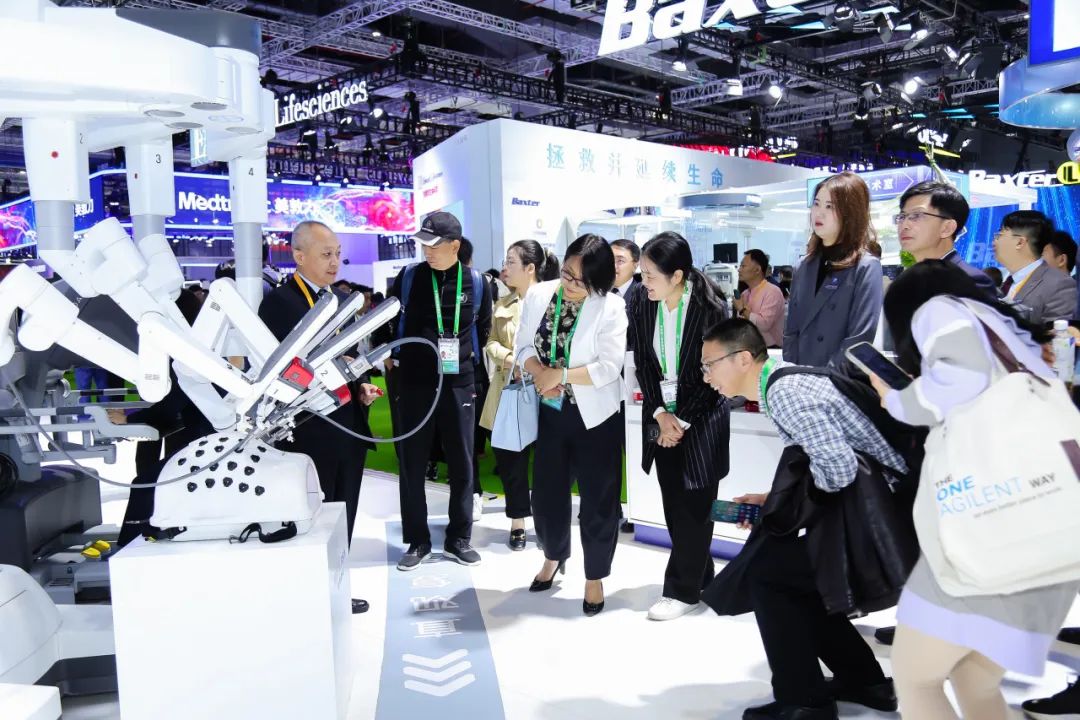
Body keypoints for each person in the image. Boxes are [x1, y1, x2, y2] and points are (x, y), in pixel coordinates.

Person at [867, 260, 1080, 720]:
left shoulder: (937, 309)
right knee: (975, 682)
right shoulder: (1004, 329)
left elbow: (961, 379)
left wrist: (895, 399)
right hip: (1049, 546)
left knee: (916, 679)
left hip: (984, 547)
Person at [702, 319, 906, 720]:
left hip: (882, 519)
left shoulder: (785, 393)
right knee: (793, 578)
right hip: (884, 508)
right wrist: (773, 499)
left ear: (743, 359)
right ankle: (866, 681)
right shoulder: (787, 379)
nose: (707, 376)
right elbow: (825, 461)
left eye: (710, 364)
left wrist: (787, 505)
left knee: (769, 575)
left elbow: (838, 470)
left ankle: (804, 702)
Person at [258, 220, 381, 615]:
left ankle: (336, 590)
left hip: (348, 426)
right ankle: (310, 596)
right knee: (314, 514)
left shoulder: (340, 300)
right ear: (298, 256)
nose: (334, 262)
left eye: (337, 254)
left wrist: (361, 384)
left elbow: (349, 355)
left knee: (344, 512)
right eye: (326, 254)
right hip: (309, 431)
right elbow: (284, 369)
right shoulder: (280, 303)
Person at [515, 234, 627, 616]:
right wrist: (540, 373)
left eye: (581, 280)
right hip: (551, 411)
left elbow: (609, 367)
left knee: (598, 502)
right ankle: (553, 555)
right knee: (546, 497)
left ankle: (594, 576)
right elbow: (523, 346)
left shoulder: (611, 306)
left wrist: (560, 374)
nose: (571, 284)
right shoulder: (539, 295)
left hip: (597, 418)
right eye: (567, 273)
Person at [628, 232, 730, 621]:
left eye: (650, 276)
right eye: (642, 274)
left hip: (701, 416)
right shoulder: (641, 301)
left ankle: (681, 591)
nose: (644, 283)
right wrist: (659, 413)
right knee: (673, 502)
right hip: (660, 415)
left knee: (697, 504)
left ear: (677, 276)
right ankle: (701, 575)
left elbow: (713, 374)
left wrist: (680, 419)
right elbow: (644, 362)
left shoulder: (710, 307)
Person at [386, 212, 493, 571]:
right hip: (414, 382)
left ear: (455, 246)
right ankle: (417, 540)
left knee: (463, 461)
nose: (427, 251)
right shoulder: (409, 278)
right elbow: (390, 323)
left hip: (459, 382)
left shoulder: (477, 283)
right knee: (412, 462)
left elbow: (484, 328)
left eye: (434, 245)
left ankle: (458, 538)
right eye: (423, 244)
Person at [479, 240, 559, 550]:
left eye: (511, 262)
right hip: (509, 391)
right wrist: (510, 359)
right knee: (511, 460)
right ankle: (517, 521)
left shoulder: (554, 301)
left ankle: (547, 522)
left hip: (547, 391)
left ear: (530, 268)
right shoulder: (503, 304)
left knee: (548, 462)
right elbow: (490, 342)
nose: (505, 268)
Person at [783, 172, 884, 367]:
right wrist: (792, 371)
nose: (819, 213)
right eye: (816, 204)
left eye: (830, 206)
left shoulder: (866, 267)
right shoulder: (803, 266)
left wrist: (823, 378)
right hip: (799, 376)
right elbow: (791, 330)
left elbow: (859, 339)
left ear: (850, 214)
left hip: (837, 379)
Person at [895, 180, 999, 297]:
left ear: (947, 228)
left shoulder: (971, 282)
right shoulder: (908, 279)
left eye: (916, 215)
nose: (904, 225)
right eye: (902, 216)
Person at [993, 210, 1077, 324]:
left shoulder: (1059, 284)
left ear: (1019, 242)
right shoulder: (1005, 283)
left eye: (1000, 234)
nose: (994, 241)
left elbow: (1058, 333)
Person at [734, 249, 785, 348]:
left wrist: (742, 309)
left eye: (743, 266)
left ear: (757, 270)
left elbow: (764, 325)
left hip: (770, 349)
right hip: (750, 348)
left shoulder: (772, 291)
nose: (739, 270)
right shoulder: (745, 294)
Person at [610, 238, 643, 303]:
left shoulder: (644, 296)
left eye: (620, 261)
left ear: (635, 265)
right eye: (609, 259)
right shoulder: (595, 293)